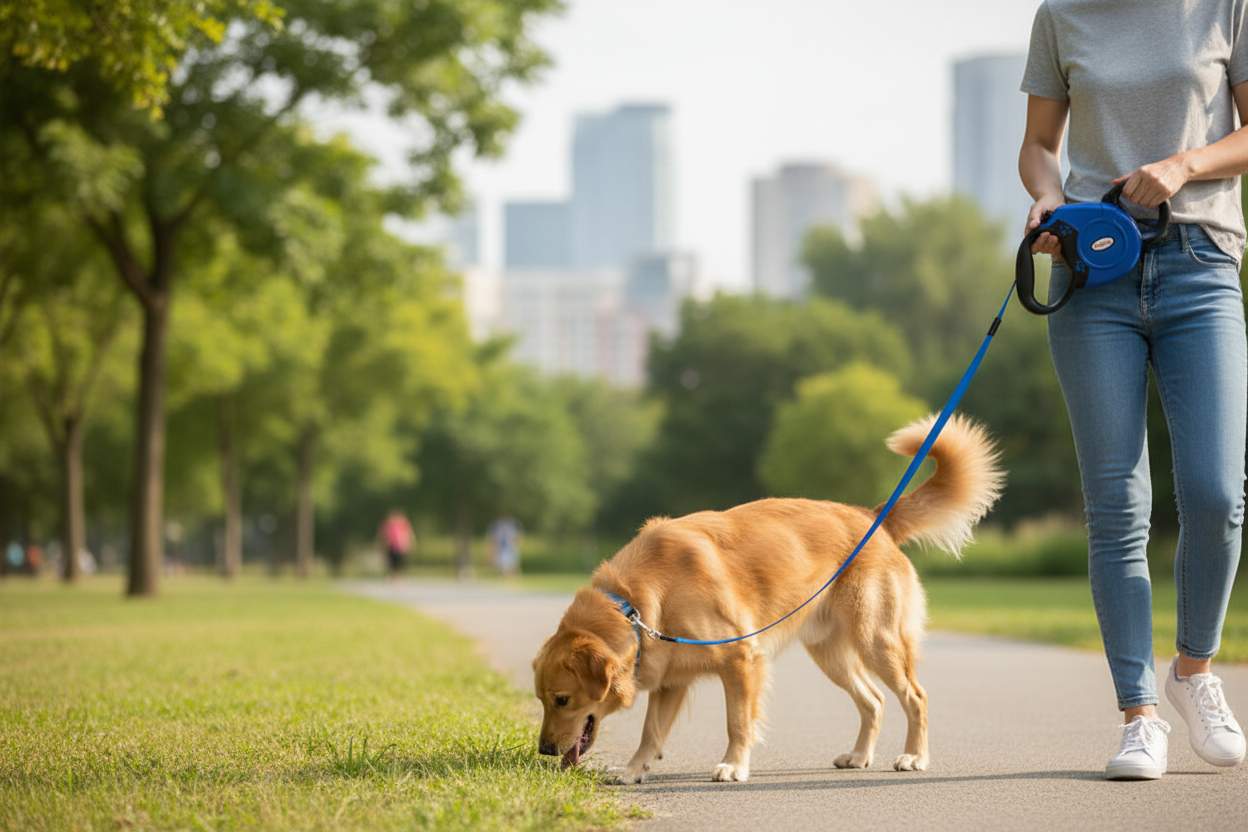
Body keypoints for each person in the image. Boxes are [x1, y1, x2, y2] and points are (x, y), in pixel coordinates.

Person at [1019, 0, 1248, 780]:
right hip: (1092, 269)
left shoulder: (1225, 7)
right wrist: (1048, 199)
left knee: (1217, 493)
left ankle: (1194, 671)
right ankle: (1138, 717)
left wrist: (1184, 165)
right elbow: (1039, 146)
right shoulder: (1062, 14)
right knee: (1117, 504)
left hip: (1201, 265)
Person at [378, 509, 414, 580]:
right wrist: (382, 543)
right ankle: (393, 575)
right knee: (391, 561)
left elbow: (409, 534)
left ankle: (399, 575)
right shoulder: (387, 525)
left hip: (401, 546)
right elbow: (382, 534)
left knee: (400, 561)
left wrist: (410, 543)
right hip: (390, 546)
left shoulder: (404, 524)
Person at [487, 513, 522, 578]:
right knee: (504, 562)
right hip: (503, 546)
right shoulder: (499, 528)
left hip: (510, 546)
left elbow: (516, 536)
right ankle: (505, 575)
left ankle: (513, 575)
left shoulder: (510, 527)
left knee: (513, 562)